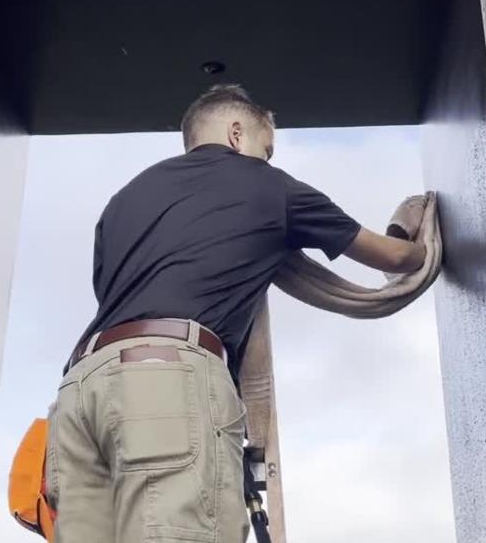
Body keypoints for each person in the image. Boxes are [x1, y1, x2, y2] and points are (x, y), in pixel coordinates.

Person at [46, 84, 426, 543]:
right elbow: (396, 258)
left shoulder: (124, 199)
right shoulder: (269, 186)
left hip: (80, 391)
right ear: (237, 133)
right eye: (266, 150)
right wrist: (422, 224)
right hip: (165, 382)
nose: (267, 160)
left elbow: (112, 294)